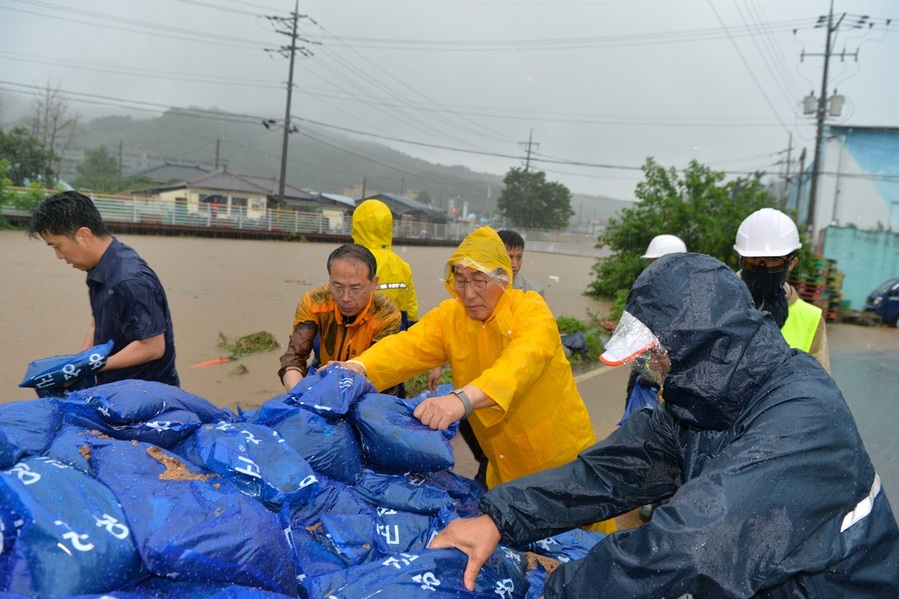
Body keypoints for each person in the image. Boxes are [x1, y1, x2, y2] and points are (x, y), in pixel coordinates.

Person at [429, 252, 899, 598]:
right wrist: (498, 516)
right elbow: (607, 472)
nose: (654, 368)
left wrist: (556, 590)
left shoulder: (801, 418)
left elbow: (687, 545)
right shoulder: (706, 399)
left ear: (701, 345)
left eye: (656, 353)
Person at [340, 228, 614, 533]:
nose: (468, 293)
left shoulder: (531, 310)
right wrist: (357, 367)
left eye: (479, 281)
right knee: (526, 552)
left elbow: (521, 362)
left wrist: (461, 399)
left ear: (503, 278)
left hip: (562, 465)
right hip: (505, 468)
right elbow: (406, 346)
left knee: (586, 545)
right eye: (461, 281)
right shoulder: (451, 317)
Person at [28, 191, 179, 386]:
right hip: (116, 387)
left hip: (147, 395)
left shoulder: (130, 280)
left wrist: (94, 366)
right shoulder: (99, 268)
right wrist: (77, 366)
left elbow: (152, 347)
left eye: (57, 246)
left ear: (84, 235)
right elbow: (96, 325)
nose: (59, 256)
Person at [278, 243, 401, 392]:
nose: (346, 298)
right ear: (329, 279)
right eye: (338, 287)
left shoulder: (386, 313)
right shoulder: (314, 302)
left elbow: (381, 367)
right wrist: (297, 395)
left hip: (370, 382)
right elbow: (294, 357)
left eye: (356, 288)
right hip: (325, 370)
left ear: (373, 283)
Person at [735, 208, 830, 372]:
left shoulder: (810, 319)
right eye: (754, 259)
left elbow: (819, 387)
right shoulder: (717, 302)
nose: (762, 267)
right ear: (741, 259)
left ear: (791, 263)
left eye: (773, 260)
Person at [351, 199, 419, 330]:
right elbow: (411, 310)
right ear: (388, 226)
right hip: (395, 332)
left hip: (359, 333)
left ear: (356, 227)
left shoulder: (349, 262)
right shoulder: (402, 265)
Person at [497, 229, 544, 297]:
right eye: (509, 257)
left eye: (519, 257)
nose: (515, 264)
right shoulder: (478, 289)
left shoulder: (534, 292)